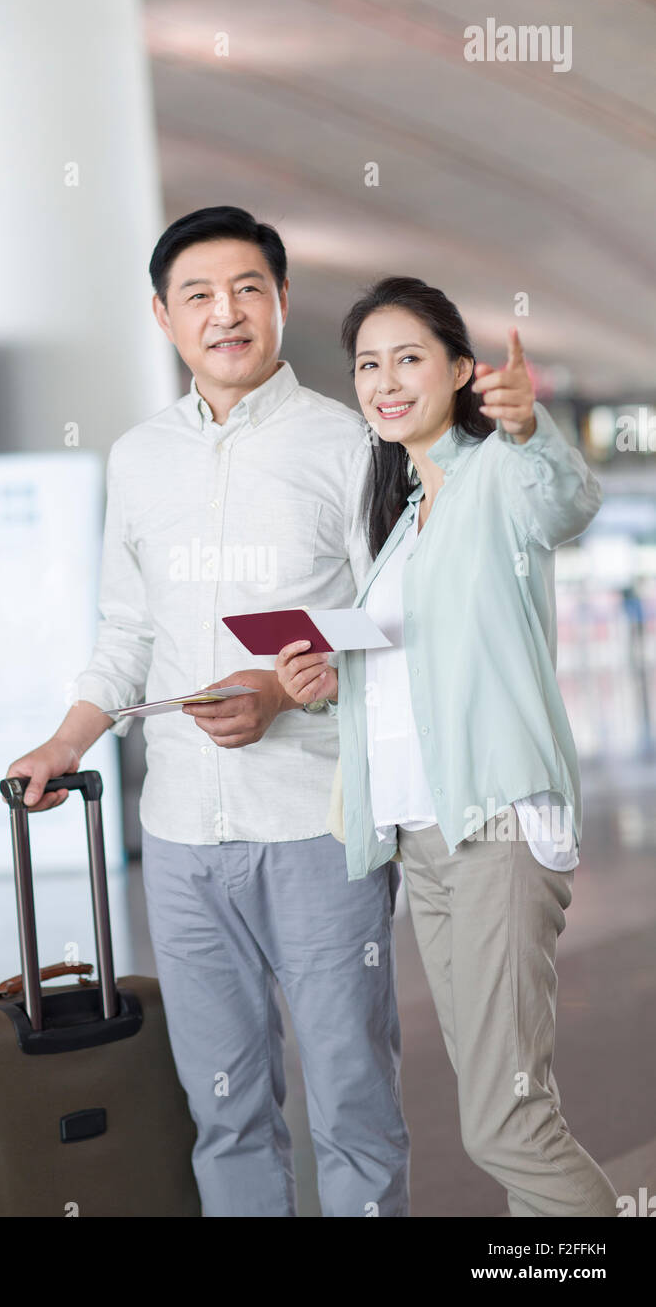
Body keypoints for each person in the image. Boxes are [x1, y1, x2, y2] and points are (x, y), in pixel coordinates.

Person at [6, 208, 410, 1218]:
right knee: (221, 1108)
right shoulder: (136, 458)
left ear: (279, 301)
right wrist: (68, 737)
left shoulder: (351, 443)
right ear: (162, 314)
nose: (223, 314)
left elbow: (391, 619)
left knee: (350, 1100)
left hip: (316, 820)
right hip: (182, 835)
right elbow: (125, 626)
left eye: (244, 290)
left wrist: (280, 686)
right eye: (197, 295)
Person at [276, 276, 618, 1217]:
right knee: (507, 1107)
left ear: (463, 371)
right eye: (367, 366)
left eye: (409, 358)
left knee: (503, 1122)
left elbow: (564, 499)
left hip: (496, 820)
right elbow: (407, 683)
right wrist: (322, 691)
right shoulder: (398, 530)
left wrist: (525, 427)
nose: (385, 381)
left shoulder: (496, 477)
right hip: (424, 839)